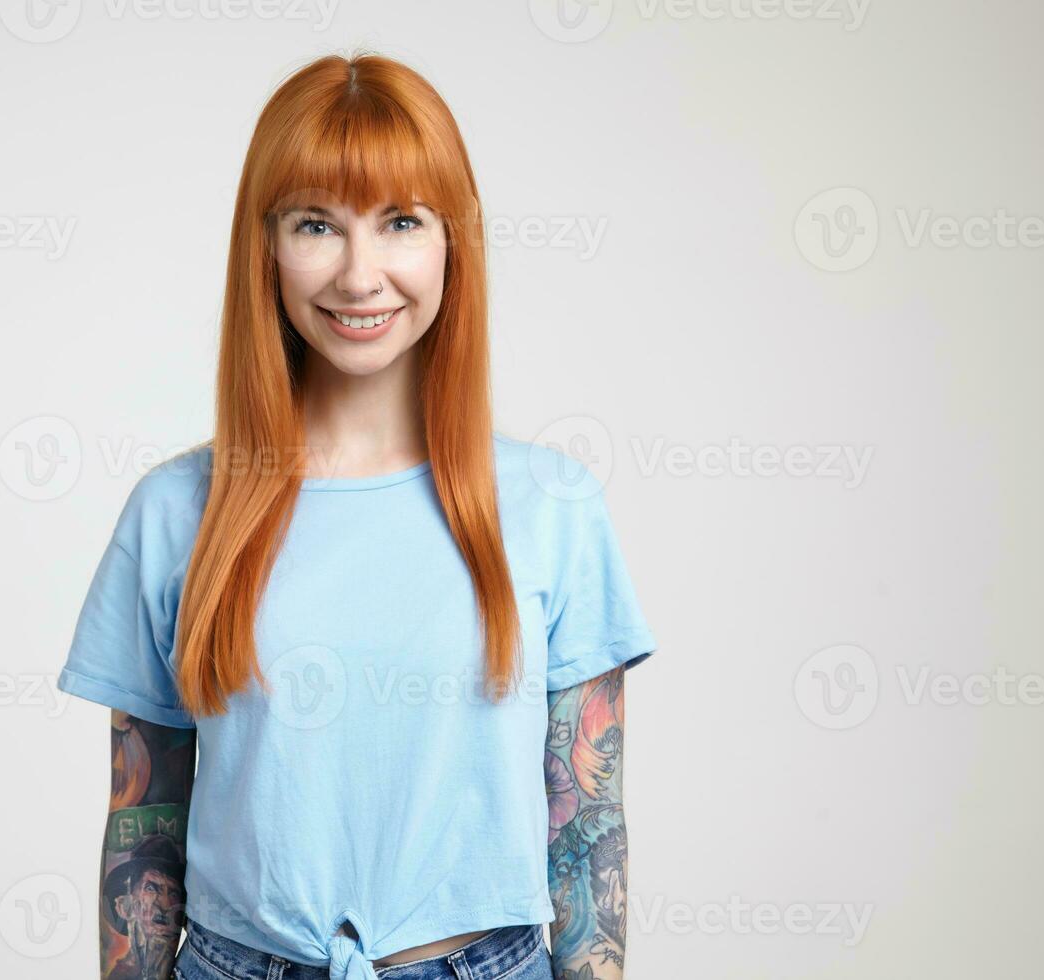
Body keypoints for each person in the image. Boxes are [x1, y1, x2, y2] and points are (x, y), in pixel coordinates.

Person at [57, 50, 659, 980]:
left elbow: (587, 826)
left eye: (401, 222)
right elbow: (144, 826)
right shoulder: (176, 512)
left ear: (453, 242)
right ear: (267, 246)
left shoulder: (553, 509)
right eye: (316, 225)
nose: (359, 273)